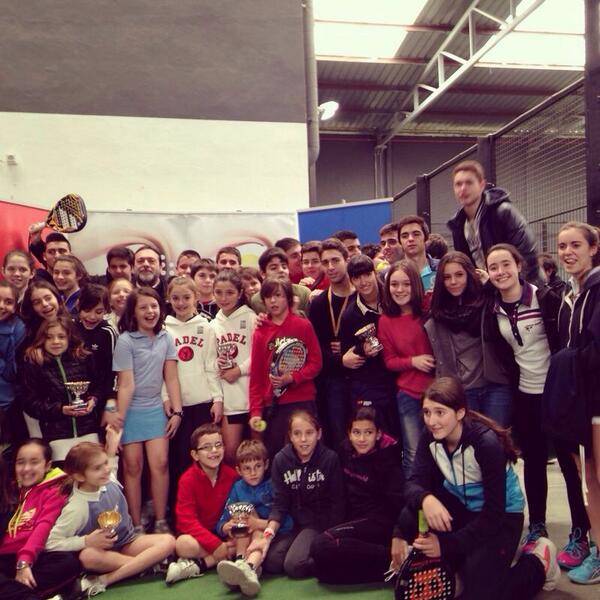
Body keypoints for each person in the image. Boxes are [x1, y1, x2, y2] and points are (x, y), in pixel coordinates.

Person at [392, 377, 561, 600]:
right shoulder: (429, 437)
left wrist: (445, 545)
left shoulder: (486, 444)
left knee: (480, 594)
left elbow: (493, 515)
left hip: (502, 517)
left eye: (440, 412)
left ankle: (539, 561)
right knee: (414, 509)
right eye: (427, 412)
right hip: (464, 508)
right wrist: (408, 523)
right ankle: (469, 566)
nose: (432, 421)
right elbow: (413, 483)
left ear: (460, 413)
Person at [484, 243, 588, 561]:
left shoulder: (546, 299)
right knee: (533, 461)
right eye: (493, 267)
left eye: (505, 264)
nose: (500, 272)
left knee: (570, 465)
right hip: (524, 395)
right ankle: (537, 526)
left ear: (519, 266)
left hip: (557, 394)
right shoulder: (492, 308)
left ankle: (581, 532)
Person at [45, 430, 175, 597]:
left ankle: (106, 579)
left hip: (128, 543)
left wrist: (112, 445)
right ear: (79, 476)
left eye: (105, 464)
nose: (106, 470)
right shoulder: (77, 507)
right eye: (97, 468)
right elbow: (51, 543)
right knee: (87, 557)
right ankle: (149, 565)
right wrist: (86, 541)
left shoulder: (107, 478)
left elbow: (111, 461)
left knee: (168, 541)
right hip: (103, 555)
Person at [107, 287, 183, 534]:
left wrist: (177, 412)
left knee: (160, 464)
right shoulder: (125, 341)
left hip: (155, 409)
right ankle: (136, 524)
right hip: (130, 412)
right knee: (132, 467)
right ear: (133, 312)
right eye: (143, 307)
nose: (150, 311)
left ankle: (161, 521)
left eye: (154, 306)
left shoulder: (166, 338)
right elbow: (126, 385)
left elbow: (171, 378)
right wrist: (119, 421)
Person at [553, 221, 600, 583]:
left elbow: (592, 351)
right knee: (590, 479)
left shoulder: (597, 290)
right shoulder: (572, 294)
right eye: (562, 246)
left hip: (597, 402)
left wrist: (566, 362)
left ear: (593, 249)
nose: (567, 253)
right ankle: (597, 548)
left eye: (575, 245)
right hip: (581, 403)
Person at [245, 411, 344, 578]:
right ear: (290, 436)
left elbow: (338, 502)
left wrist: (332, 535)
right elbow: (279, 504)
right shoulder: (281, 460)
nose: (303, 439)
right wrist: (267, 536)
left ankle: (326, 558)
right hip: (291, 524)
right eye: (297, 434)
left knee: (293, 566)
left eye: (309, 433)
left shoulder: (330, 459)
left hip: (318, 524)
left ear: (319, 434)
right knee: (272, 562)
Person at [312, 406, 404, 584]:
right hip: (356, 521)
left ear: (378, 434)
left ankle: (399, 559)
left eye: (368, 432)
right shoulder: (345, 451)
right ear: (349, 433)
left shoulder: (388, 460)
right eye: (356, 432)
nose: (361, 439)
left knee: (320, 545)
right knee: (321, 572)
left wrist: (398, 535)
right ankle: (389, 572)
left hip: (380, 522)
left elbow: (399, 505)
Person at [426, 251, 512, 427]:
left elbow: (511, 294)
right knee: (472, 440)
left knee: (497, 438)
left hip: (495, 386)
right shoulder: (438, 314)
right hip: (461, 391)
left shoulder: (487, 303)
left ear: (470, 275)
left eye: (459, 275)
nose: (453, 281)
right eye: (447, 277)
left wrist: (489, 283)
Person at [248, 278, 322, 456]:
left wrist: (292, 378)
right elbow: (256, 377)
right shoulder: (260, 332)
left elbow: (316, 363)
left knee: (308, 454)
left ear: (288, 298)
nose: (273, 301)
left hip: (302, 401)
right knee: (277, 457)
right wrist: (255, 411)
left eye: (278, 295)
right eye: (268, 297)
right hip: (273, 406)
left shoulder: (303, 326)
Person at [0, 438, 81, 600]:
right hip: (3, 560)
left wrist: (24, 562)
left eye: (34, 462)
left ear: (47, 465)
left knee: (68, 562)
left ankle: (16, 592)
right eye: (20, 462)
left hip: (32, 559)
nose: (26, 469)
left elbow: (43, 526)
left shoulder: (55, 491)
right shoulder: (9, 489)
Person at [163, 276, 222, 488]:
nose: (181, 303)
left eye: (186, 297)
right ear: (168, 299)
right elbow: (162, 370)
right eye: (175, 298)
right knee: (180, 460)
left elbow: (211, 366)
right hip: (177, 406)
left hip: (203, 403)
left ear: (196, 297)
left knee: (206, 457)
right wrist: (165, 397)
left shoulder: (206, 327)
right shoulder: (164, 329)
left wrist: (217, 399)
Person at [215, 440, 293, 597]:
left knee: (253, 524)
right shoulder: (237, 488)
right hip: (244, 541)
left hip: (271, 536)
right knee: (242, 512)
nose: (253, 472)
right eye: (247, 468)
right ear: (238, 470)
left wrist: (258, 523)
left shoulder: (273, 485)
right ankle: (243, 564)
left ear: (266, 465)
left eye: (257, 466)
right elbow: (221, 521)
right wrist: (226, 526)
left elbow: (289, 523)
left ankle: (248, 567)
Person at [378, 259, 434, 474]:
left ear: (416, 285)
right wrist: (413, 361)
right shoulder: (386, 320)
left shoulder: (428, 309)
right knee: (413, 452)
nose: (400, 290)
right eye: (394, 284)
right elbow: (389, 361)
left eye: (406, 284)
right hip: (408, 394)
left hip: (438, 394)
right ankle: (415, 494)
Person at [21, 315, 102, 462]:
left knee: (91, 472)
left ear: (69, 337)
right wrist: (60, 410)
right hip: (56, 436)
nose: (56, 341)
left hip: (88, 430)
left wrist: (93, 400)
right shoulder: (34, 364)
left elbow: (98, 386)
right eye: (49, 337)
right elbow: (30, 403)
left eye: (61, 337)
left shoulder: (83, 357)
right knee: (64, 475)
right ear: (42, 339)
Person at [447, 159, 541, 284]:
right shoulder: (458, 226)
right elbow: (467, 267)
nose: (463, 188)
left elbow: (528, 256)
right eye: (458, 184)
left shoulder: (503, 212)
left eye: (469, 183)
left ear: (482, 185)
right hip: (489, 289)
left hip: (521, 287)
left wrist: (518, 290)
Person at [166, 423, 238, 584]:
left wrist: (227, 533)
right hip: (199, 538)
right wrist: (215, 545)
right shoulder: (187, 479)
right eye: (206, 447)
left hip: (223, 534)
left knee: (243, 538)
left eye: (218, 445)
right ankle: (223, 556)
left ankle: (199, 565)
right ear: (195, 455)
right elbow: (186, 521)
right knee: (183, 544)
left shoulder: (232, 476)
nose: (214, 451)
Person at [339, 255, 396, 434]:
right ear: (351, 281)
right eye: (357, 277)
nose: (363, 282)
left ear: (375, 273)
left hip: (402, 377)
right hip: (374, 385)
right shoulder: (349, 315)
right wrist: (362, 350)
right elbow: (347, 352)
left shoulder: (394, 296)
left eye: (367, 274)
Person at [308, 238, 355, 449]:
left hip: (363, 378)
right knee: (339, 439)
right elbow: (315, 350)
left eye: (335, 260)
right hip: (333, 381)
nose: (330, 267)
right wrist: (340, 360)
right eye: (325, 262)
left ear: (347, 260)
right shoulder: (318, 303)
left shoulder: (362, 296)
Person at [210, 270, 257, 464]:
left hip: (255, 400)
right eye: (218, 292)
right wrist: (218, 364)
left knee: (258, 449)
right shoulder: (213, 325)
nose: (223, 298)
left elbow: (260, 356)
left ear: (240, 293)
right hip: (231, 402)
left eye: (229, 292)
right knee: (230, 454)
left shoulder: (251, 318)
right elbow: (210, 363)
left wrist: (239, 371)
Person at [75, 284, 117, 416]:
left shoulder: (108, 333)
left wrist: (100, 397)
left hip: (100, 396)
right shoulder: (70, 328)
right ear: (78, 306)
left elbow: (112, 372)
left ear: (106, 310)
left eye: (98, 312)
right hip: (74, 393)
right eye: (87, 310)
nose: (92, 317)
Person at [249, 248, 311, 316]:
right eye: (274, 268)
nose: (281, 270)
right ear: (263, 274)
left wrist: (295, 312)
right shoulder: (256, 300)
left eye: (284, 267)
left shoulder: (303, 293)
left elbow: (311, 320)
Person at [0, 281, 26, 445]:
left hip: (6, 403)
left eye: (8, 302)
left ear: (15, 307)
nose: (1, 306)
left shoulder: (18, 328)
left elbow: (12, 372)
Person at [397, 215, 439, 292]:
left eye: (416, 234)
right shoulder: (391, 274)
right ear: (400, 242)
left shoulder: (441, 268)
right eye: (405, 236)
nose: (410, 239)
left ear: (425, 237)